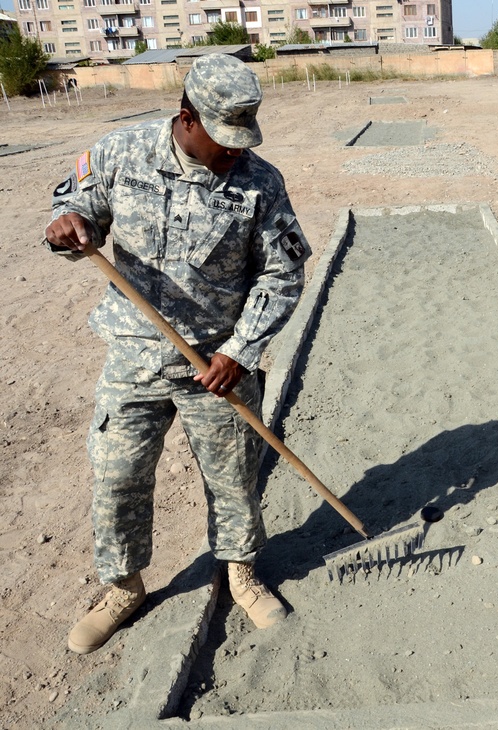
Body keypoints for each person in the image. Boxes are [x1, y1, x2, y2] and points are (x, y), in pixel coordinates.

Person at [45, 53, 312, 654]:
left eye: (244, 137)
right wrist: (67, 226)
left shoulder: (259, 183)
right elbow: (75, 210)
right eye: (224, 138)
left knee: (235, 480)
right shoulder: (121, 152)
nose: (235, 151)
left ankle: (240, 571)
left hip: (218, 367)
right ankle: (123, 586)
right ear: (186, 117)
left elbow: (283, 275)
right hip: (135, 356)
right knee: (116, 477)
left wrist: (240, 352)